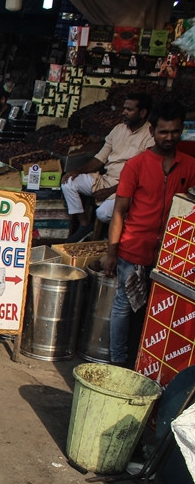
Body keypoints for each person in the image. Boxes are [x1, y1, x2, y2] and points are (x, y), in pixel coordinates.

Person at [101, 101, 195, 367]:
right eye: (163, 132)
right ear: (152, 131)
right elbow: (119, 212)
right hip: (133, 248)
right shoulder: (136, 165)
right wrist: (112, 252)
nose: (169, 137)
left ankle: (145, 362)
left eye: (175, 131)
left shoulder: (189, 166)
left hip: (169, 254)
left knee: (157, 310)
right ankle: (118, 362)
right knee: (123, 306)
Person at [62, 92, 154, 242]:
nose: (124, 112)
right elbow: (100, 158)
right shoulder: (118, 129)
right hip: (107, 179)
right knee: (68, 182)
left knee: (103, 213)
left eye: (129, 110)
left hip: (129, 189)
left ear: (143, 113)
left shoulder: (150, 135)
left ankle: (110, 235)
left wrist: (110, 191)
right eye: (124, 108)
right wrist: (77, 171)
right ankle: (85, 225)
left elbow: (143, 175)